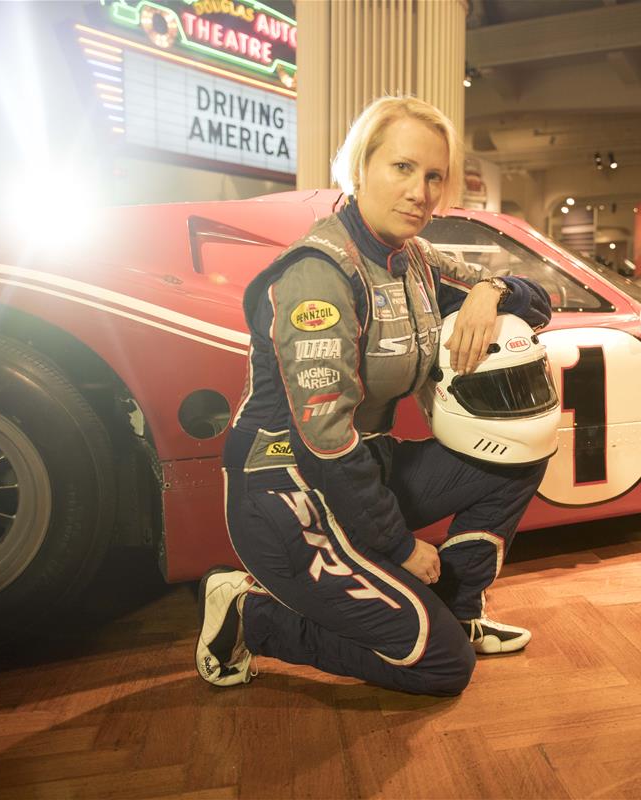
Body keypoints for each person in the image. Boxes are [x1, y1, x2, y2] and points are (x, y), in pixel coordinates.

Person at [194, 96, 554, 696]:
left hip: (364, 471)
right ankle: (249, 616)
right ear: (360, 168)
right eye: (402, 168)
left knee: (520, 453)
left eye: (434, 176)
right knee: (441, 667)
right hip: (286, 485)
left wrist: (489, 291)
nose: (421, 191)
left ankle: (460, 611)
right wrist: (398, 546)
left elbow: (539, 301)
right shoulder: (319, 274)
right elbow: (326, 442)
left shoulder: (409, 257)